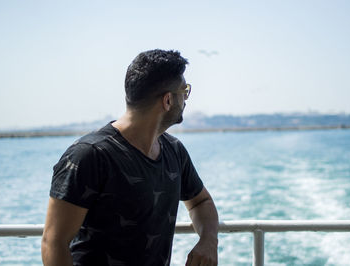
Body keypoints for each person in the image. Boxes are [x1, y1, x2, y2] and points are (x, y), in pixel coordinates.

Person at [41, 49, 219, 266]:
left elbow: (201, 201)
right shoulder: (89, 155)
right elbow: (53, 242)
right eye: (185, 91)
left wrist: (208, 241)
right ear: (168, 101)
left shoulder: (174, 151)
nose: (186, 98)